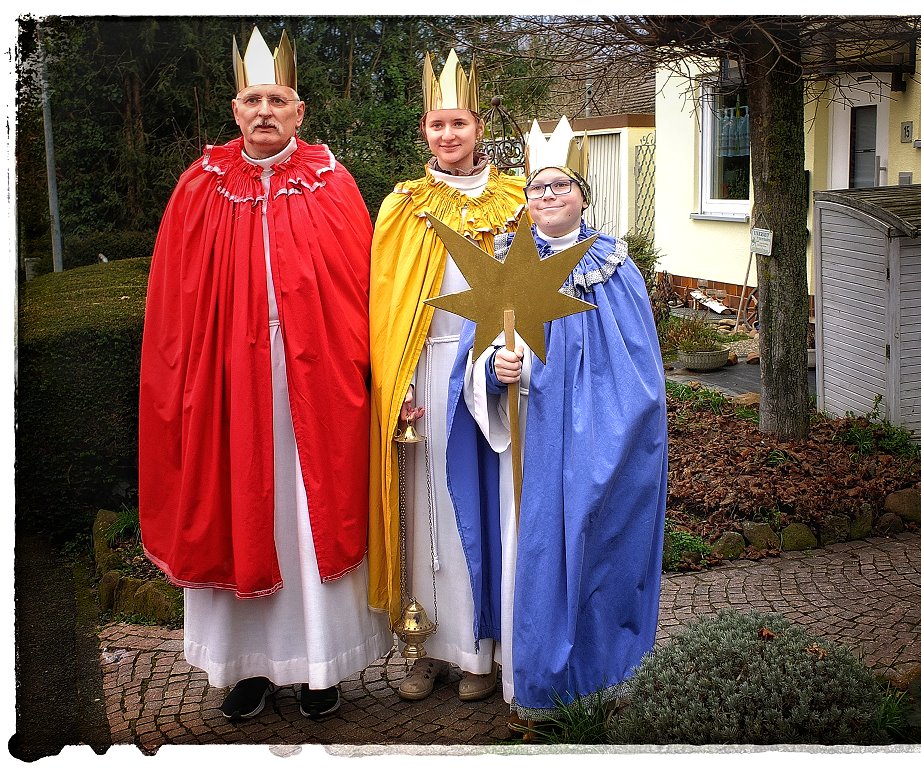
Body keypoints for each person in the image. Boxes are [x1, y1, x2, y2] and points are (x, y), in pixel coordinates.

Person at [138, 27, 391, 722]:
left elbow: (367, 292)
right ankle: (245, 669)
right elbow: (173, 303)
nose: (263, 111)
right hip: (228, 392)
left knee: (311, 521)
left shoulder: (335, 185)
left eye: (276, 98)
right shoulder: (200, 187)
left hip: (320, 390)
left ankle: (320, 667)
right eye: (252, 99)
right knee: (237, 509)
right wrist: (186, 386)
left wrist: (379, 381)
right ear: (235, 107)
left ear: (299, 110)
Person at [445, 116, 668, 725]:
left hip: (599, 440)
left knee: (597, 548)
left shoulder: (614, 268)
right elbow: (472, 357)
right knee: (534, 556)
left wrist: (610, 435)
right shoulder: (505, 266)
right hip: (530, 441)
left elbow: (639, 371)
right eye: (538, 187)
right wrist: (497, 371)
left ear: (583, 194)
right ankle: (537, 682)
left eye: (560, 186)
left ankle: (601, 678)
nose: (548, 196)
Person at [367, 50, 527, 703]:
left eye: (458, 123)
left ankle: (478, 654)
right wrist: (397, 380)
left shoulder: (515, 201)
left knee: (481, 512)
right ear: (424, 132)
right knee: (423, 516)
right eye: (436, 125)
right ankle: (422, 648)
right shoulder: (404, 207)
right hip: (421, 374)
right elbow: (383, 301)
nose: (447, 136)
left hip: (487, 379)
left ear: (478, 125)